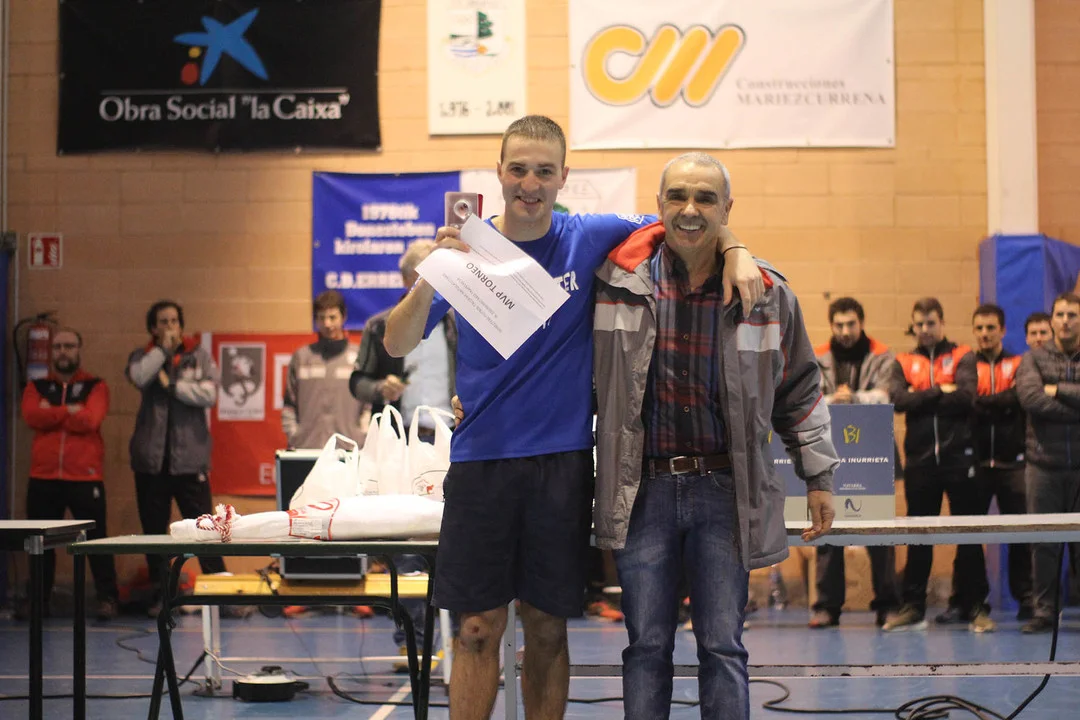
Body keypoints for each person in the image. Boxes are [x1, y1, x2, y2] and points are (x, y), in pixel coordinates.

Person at [383, 115, 763, 720]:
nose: (529, 184)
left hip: (560, 466)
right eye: (518, 169)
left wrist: (736, 248)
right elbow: (397, 342)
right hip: (480, 464)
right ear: (499, 173)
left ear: (563, 176)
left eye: (543, 171)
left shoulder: (588, 236)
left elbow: (685, 222)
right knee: (476, 629)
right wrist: (434, 274)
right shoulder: (468, 252)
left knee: (546, 628)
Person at [591, 152, 837, 719]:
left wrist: (820, 477)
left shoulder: (767, 294)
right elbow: (567, 372)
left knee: (723, 647)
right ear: (659, 206)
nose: (690, 209)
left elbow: (800, 390)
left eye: (705, 198)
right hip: (641, 492)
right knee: (646, 646)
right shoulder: (613, 287)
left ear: (727, 209)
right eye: (677, 196)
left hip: (725, 493)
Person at [351, 240, 457, 668]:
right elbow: (358, 381)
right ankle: (412, 642)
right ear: (409, 279)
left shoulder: (458, 322)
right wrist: (380, 388)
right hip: (403, 447)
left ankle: (459, 640)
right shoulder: (381, 326)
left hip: (453, 442)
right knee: (406, 547)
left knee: (455, 541)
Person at [883, 298, 994, 632]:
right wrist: (938, 391)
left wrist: (921, 395)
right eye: (919, 324)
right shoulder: (903, 361)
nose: (925, 329)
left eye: (931, 323)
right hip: (920, 463)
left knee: (969, 535)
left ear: (941, 323)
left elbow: (966, 397)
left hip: (960, 459)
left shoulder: (963, 356)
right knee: (919, 537)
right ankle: (913, 608)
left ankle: (976, 607)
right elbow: (898, 400)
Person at [126, 300, 231, 615]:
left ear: (182, 326)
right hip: (151, 463)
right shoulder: (143, 356)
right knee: (154, 535)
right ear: (153, 328)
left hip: (190, 461)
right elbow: (139, 377)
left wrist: (172, 385)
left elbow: (209, 394)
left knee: (206, 531)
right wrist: (162, 351)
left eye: (174, 321)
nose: (170, 326)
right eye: (163, 321)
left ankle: (221, 595)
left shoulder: (199, 356)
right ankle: (164, 595)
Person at [808, 297, 900, 628]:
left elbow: (887, 394)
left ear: (861, 323)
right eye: (839, 325)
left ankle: (888, 604)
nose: (845, 331)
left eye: (851, 324)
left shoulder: (883, 354)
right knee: (825, 525)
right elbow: (807, 399)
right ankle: (827, 606)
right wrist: (837, 399)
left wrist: (855, 398)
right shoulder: (816, 356)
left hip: (874, 452)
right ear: (831, 325)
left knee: (879, 530)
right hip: (828, 453)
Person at [19, 328, 119, 621]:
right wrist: (69, 410)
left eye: (70, 346)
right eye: (58, 346)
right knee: (40, 543)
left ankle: (108, 598)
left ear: (79, 350)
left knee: (96, 541)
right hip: (43, 477)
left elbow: (90, 420)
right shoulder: (36, 387)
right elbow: (31, 416)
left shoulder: (96, 386)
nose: (64, 351)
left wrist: (52, 412)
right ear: (52, 352)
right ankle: (39, 601)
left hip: (85, 478)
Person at [1015, 292, 1080, 633]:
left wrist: (1057, 389)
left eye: (1072, 315)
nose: (1066, 321)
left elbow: (1047, 397)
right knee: (1043, 543)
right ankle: (1044, 613)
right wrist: (1074, 409)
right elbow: (1031, 399)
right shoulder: (1033, 359)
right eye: (1060, 315)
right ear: (1052, 320)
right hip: (1042, 467)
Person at [970, 304, 1033, 620]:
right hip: (978, 464)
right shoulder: (967, 365)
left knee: (1020, 534)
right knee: (969, 536)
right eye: (979, 328)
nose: (985, 334)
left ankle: (1027, 599)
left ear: (1003, 330)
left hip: (1013, 464)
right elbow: (965, 401)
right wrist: (999, 402)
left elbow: (1018, 398)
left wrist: (983, 402)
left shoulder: (1018, 363)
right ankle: (974, 601)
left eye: (991, 328)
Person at [282, 290, 368, 449]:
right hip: (307, 448)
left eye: (332, 317)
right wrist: (295, 436)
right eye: (321, 318)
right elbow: (289, 404)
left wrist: (361, 435)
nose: (327, 324)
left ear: (344, 317)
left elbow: (368, 405)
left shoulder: (359, 358)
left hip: (348, 448)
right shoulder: (301, 357)